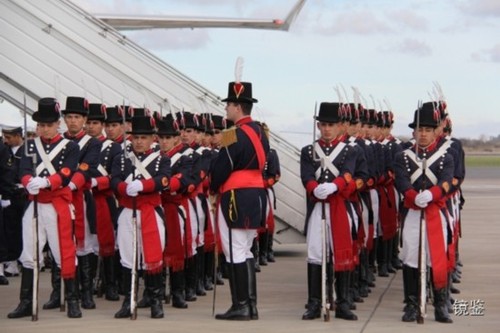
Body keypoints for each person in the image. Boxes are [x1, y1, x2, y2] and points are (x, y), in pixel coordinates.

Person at [8, 97, 81, 319]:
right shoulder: (30, 145)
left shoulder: (70, 146)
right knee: (30, 252)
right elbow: (22, 169)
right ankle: (26, 302)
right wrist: (29, 180)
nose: (45, 129)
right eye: (41, 125)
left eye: (49, 124)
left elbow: (68, 172)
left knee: (63, 253)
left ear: (58, 124)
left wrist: (48, 182)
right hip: (36, 203)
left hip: (57, 203)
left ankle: (72, 300)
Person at [210, 80, 270, 321]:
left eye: (228, 105)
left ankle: (241, 305)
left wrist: (213, 187)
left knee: (234, 250)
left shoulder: (231, 134)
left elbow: (222, 167)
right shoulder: (259, 131)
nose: (226, 109)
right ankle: (250, 305)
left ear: (237, 107)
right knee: (245, 250)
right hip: (255, 195)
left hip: (235, 195)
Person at [394, 101, 454, 324]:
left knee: (435, 257)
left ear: (435, 132)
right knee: (410, 256)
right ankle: (411, 304)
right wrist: (412, 195)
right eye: (419, 130)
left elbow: (448, 182)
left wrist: (433, 194)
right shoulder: (403, 156)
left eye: (427, 130)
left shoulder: (446, 157)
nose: (423, 134)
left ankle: (440, 304)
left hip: (435, 211)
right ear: (413, 132)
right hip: (412, 212)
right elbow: (400, 181)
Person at [300, 102, 358, 321]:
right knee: (316, 253)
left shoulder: (348, 151)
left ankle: (343, 303)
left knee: (340, 252)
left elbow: (348, 173)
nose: (326, 129)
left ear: (338, 126)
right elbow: (306, 176)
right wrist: (315, 189)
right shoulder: (308, 151)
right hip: (318, 206)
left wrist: (334, 186)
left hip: (338, 207)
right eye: (323, 124)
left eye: (331, 125)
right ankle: (315, 302)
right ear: (318, 126)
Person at [111, 115, 171, 319]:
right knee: (128, 258)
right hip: (128, 210)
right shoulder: (121, 158)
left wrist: (144, 186)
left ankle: (156, 301)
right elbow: (114, 180)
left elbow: (164, 180)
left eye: (143, 137)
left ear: (152, 139)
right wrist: (124, 187)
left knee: (152, 258)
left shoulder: (162, 158)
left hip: (150, 212)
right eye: (135, 137)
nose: (138, 141)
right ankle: (129, 301)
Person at [59, 96, 101, 310]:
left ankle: (86, 292)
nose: (73, 121)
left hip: (81, 197)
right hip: (58, 197)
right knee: (61, 244)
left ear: (84, 119)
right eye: (69, 117)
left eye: (77, 117)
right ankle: (61, 292)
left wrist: (68, 179)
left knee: (85, 246)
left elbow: (89, 168)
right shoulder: (58, 141)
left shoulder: (93, 143)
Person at [86, 103, 122, 301]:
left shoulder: (113, 147)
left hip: (103, 198)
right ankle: (88, 283)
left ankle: (110, 284)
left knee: (108, 243)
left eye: (96, 123)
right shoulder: (78, 145)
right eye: (89, 122)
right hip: (83, 197)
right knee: (86, 242)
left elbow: (115, 176)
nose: (92, 126)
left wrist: (96, 181)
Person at [1, 127, 24, 283]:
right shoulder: (6, 149)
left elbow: (7, 172)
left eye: (8, 137)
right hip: (9, 193)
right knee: (8, 229)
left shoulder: (26, 150)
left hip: (20, 192)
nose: (6, 140)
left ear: (18, 136)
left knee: (16, 229)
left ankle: (15, 260)